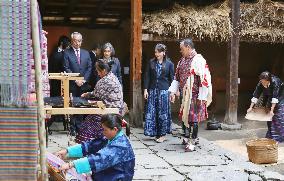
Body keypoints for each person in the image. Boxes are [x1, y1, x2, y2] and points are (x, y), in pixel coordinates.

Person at [56, 114, 135, 181]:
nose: (103, 132)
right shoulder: (111, 138)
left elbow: (100, 159)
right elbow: (91, 145)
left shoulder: (120, 146)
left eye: (105, 130)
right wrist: (67, 151)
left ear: (114, 129)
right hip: (108, 174)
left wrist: (71, 165)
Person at [168, 38, 212, 151]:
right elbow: (176, 78)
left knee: (193, 119)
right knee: (185, 118)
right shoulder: (181, 61)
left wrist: (201, 97)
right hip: (185, 94)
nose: (180, 51)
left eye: (182, 49)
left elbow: (204, 80)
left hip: (195, 94)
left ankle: (192, 141)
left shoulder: (199, 60)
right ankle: (188, 138)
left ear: (188, 47)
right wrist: (173, 92)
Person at [76, 60, 124, 143]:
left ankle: (91, 144)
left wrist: (86, 94)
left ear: (104, 71)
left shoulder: (105, 80)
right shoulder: (112, 76)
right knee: (90, 117)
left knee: (90, 120)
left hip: (112, 111)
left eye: (98, 71)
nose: (97, 73)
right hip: (117, 108)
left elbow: (96, 94)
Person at [143, 43, 174, 143]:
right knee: (152, 112)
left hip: (164, 91)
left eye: (159, 52)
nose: (157, 54)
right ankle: (155, 133)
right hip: (152, 90)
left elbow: (172, 79)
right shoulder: (151, 62)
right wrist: (145, 89)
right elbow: (147, 76)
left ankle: (162, 134)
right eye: (156, 52)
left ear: (164, 53)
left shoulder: (169, 64)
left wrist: (172, 92)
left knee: (163, 113)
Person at [63, 32, 92, 135]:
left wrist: (83, 80)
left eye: (79, 41)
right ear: (72, 41)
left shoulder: (86, 53)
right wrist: (76, 79)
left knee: (81, 105)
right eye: (75, 41)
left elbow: (89, 68)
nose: (77, 43)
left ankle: (80, 128)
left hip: (83, 85)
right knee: (72, 105)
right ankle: (72, 127)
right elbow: (66, 68)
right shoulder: (66, 52)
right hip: (72, 84)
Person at [247, 71, 284, 142]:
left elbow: (275, 97)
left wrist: (272, 111)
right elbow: (256, 95)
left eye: (264, 81)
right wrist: (250, 107)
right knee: (269, 118)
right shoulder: (260, 83)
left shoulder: (275, 82)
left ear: (268, 80)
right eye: (261, 81)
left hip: (281, 98)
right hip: (270, 98)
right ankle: (270, 136)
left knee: (278, 118)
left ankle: (279, 138)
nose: (262, 82)